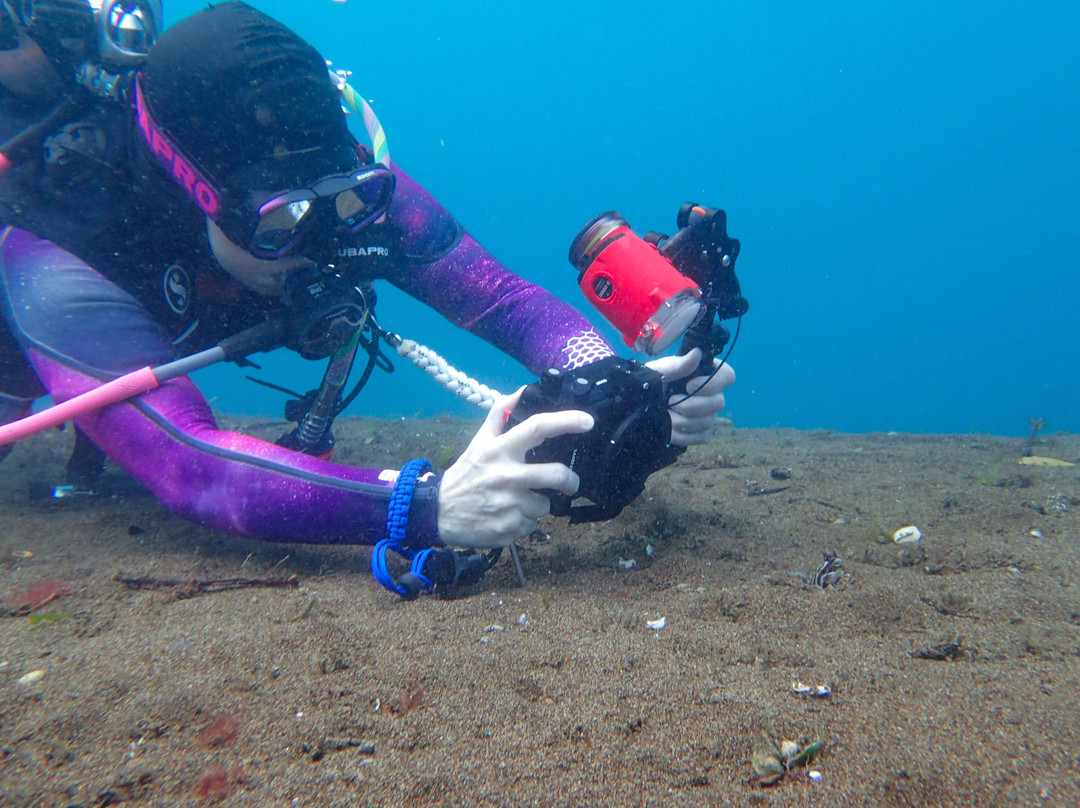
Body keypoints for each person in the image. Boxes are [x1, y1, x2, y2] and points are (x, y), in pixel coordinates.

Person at [0, 3, 734, 588]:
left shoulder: (346, 188)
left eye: (345, 201)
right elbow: (189, 464)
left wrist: (614, 385)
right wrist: (424, 505)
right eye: (281, 221)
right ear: (194, 193)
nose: (320, 237)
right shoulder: (56, 256)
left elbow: (501, 299)